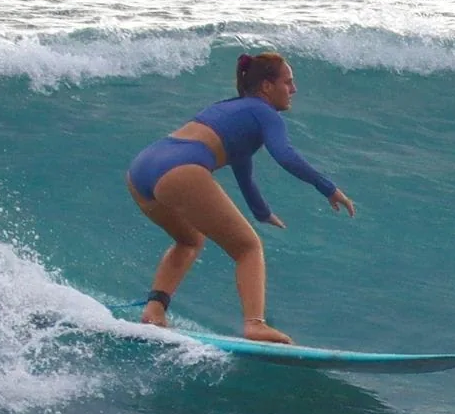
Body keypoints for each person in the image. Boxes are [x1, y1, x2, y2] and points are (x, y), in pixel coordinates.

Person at [125, 52, 355, 343]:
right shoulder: (266, 114)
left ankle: (154, 310)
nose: (293, 90)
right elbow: (285, 156)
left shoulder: (232, 109)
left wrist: (262, 212)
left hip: (141, 168)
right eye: (288, 82)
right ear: (267, 87)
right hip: (179, 169)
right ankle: (255, 324)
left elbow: (242, 169)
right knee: (248, 248)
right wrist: (328, 188)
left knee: (189, 240)